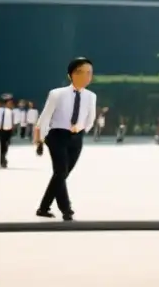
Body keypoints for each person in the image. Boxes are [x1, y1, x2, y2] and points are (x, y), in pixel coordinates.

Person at [34, 57, 98, 220]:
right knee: (61, 171)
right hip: (57, 136)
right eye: (80, 72)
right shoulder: (57, 94)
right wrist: (40, 138)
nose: (85, 76)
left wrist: (81, 129)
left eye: (89, 73)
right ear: (71, 75)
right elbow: (45, 117)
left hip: (77, 137)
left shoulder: (91, 96)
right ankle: (66, 209)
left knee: (61, 174)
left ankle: (43, 207)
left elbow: (90, 118)